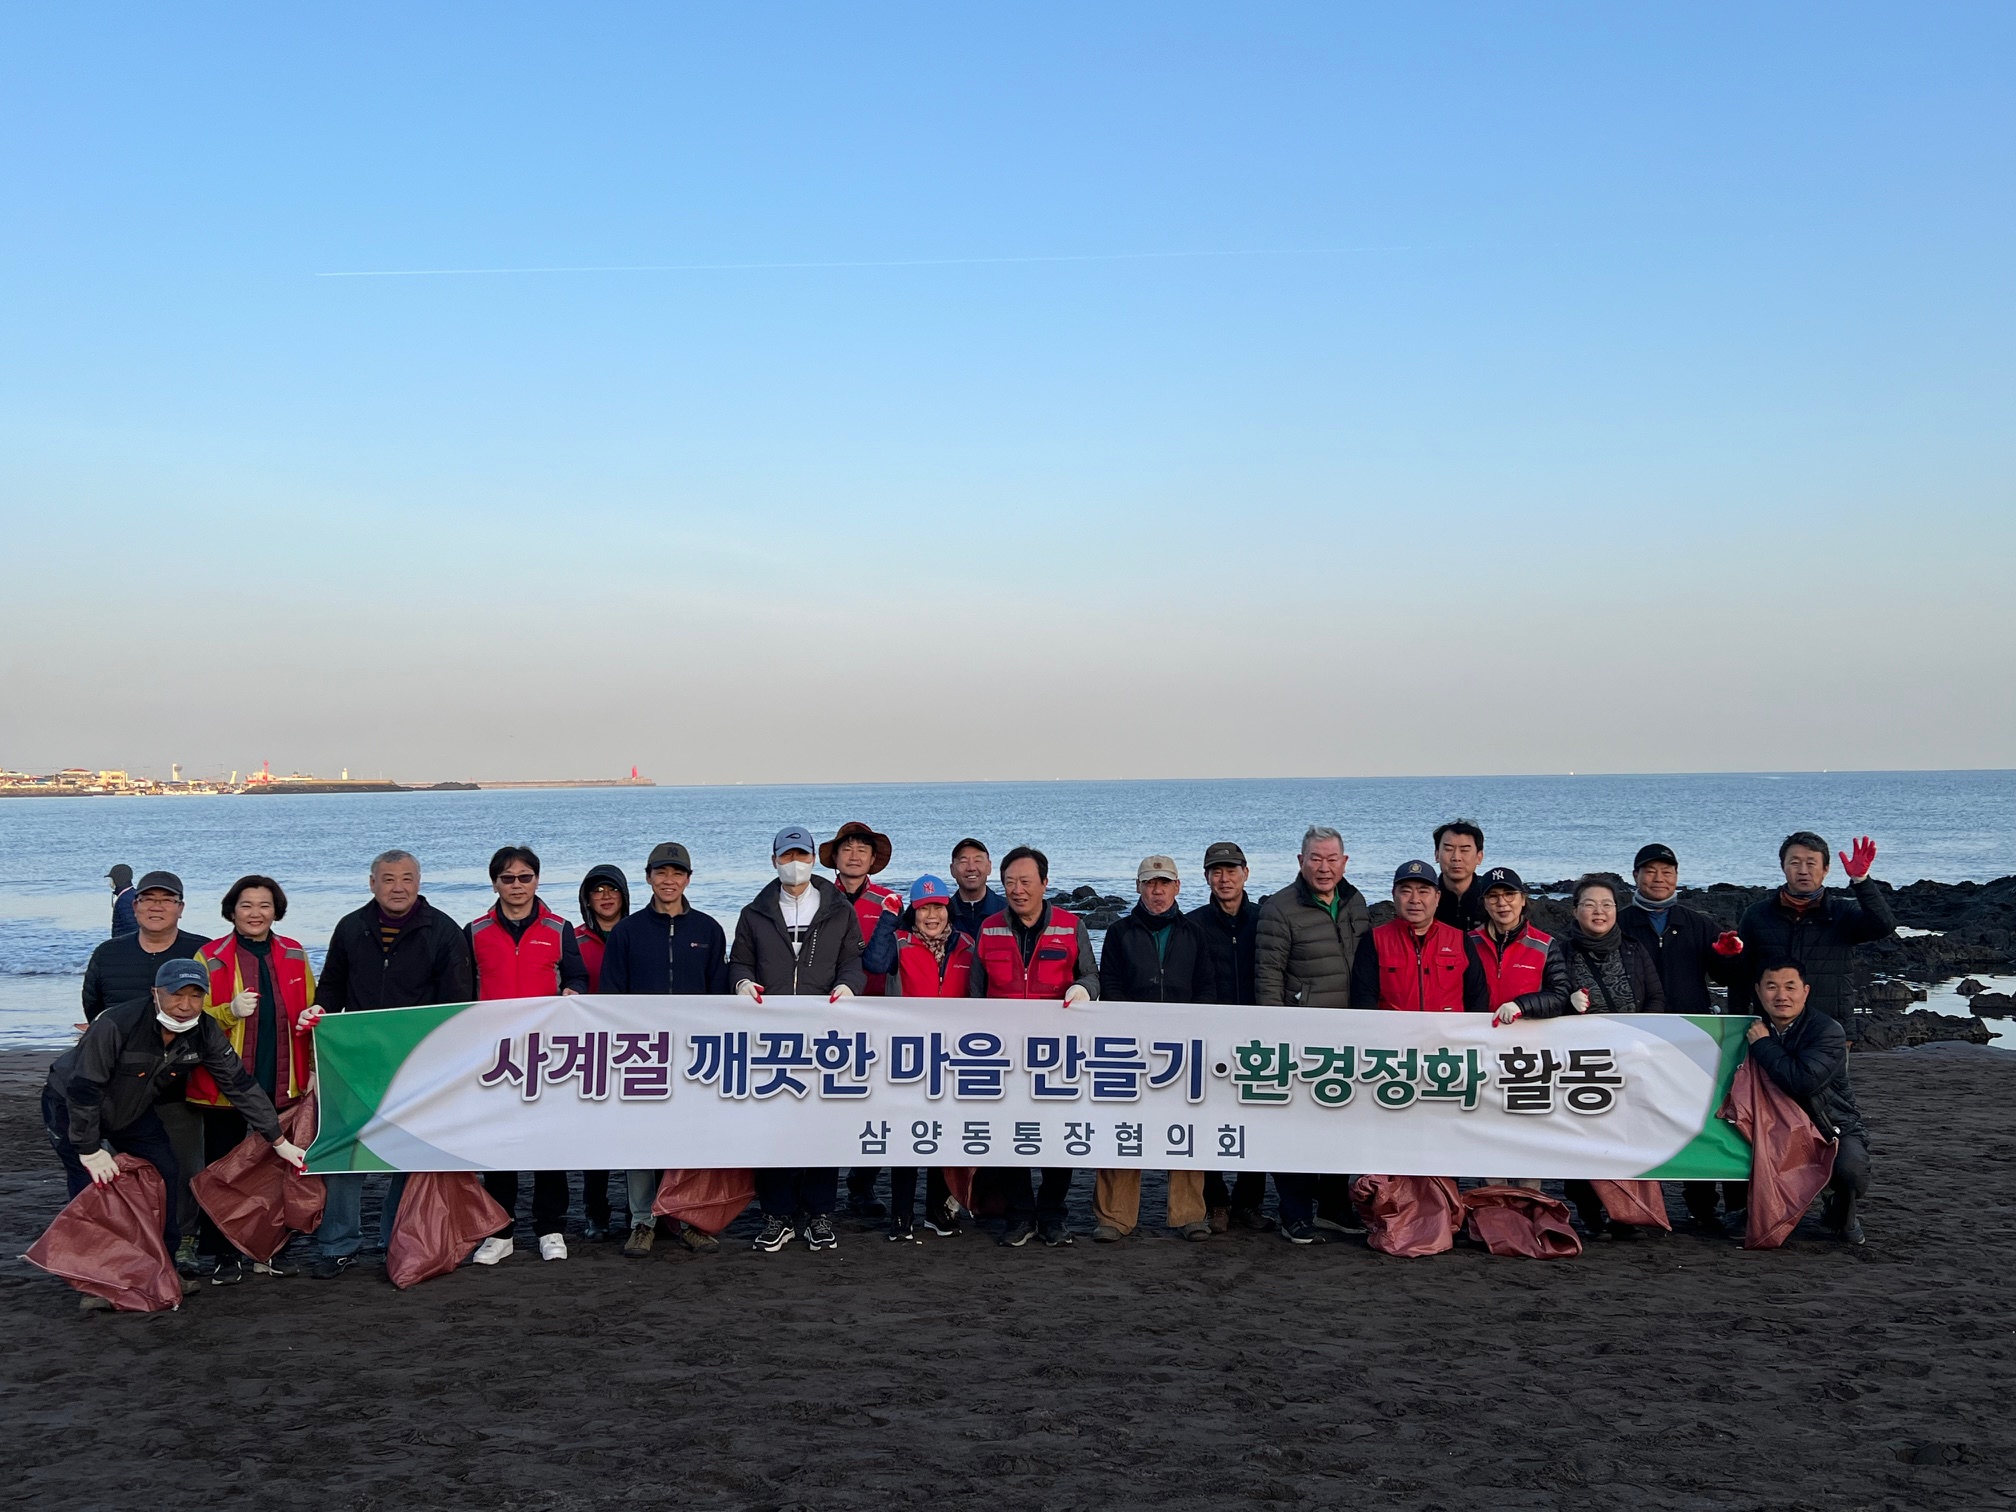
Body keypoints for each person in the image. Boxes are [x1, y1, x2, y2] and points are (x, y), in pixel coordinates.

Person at [43, 958, 306, 1310]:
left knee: (166, 1172)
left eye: (196, 996)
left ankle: (163, 1267)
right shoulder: (116, 1024)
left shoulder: (205, 1030)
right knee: (92, 1186)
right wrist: (90, 1149)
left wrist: (278, 1140)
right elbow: (85, 1088)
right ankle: (98, 1283)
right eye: (176, 995)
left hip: (132, 1111)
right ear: (156, 993)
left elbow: (239, 1084)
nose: (185, 1006)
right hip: (72, 1105)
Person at [311, 849, 474, 1279]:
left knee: (408, 1154)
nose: (397, 887)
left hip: (416, 1064)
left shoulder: (443, 931)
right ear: (372, 883)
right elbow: (331, 986)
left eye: (406, 878)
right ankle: (338, 1244)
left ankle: (396, 1238)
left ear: (419, 883)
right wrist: (319, 1012)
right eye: (387, 879)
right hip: (356, 1062)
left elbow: (456, 1005)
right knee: (346, 1152)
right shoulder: (351, 927)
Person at [730, 825, 867, 1253]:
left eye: (802, 856)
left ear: (813, 859)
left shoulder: (838, 909)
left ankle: (819, 1214)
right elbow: (739, 962)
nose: (795, 864)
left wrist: (848, 987)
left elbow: (852, 962)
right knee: (774, 1126)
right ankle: (777, 1215)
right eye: (787, 856)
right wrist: (742, 984)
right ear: (774, 860)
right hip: (770, 1038)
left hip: (825, 1037)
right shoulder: (755, 912)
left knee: (823, 1125)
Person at [598, 842, 731, 1257]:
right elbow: (611, 997)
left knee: (690, 1139)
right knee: (642, 1140)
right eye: (661, 873)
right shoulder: (627, 931)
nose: (669, 880)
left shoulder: (708, 930)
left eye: (677, 873)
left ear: (688, 879)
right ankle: (642, 1222)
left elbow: (719, 995)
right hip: (642, 1055)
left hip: (694, 1054)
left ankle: (687, 1219)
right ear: (648, 877)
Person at [78, 870, 209, 1272]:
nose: (157, 906)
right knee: (118, 1170)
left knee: (184, 1168)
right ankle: (130, 1242)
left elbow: (211, 1014)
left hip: (179, 1085)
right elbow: (93, 1008)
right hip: (117, 1090)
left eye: (167, 900)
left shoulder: (201, 951)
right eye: (148, 899)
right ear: (133, 907)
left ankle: (184, 1241)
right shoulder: (108, 953)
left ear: (181, 909)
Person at [968, 845, 1099, 1248]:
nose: (1017, 890)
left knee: (1058, 1138)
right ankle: (1021, 1215)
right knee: (1012, 1136)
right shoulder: (988, 928)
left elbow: (1093, 977)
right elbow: (975, 994)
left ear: (1044, 883)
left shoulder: (1070, 925)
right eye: (1009, 882)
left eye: (1025, 882)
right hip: (1004, 1056)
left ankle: (1054, 1215)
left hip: (1058, 1056)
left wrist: (1081, 989)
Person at [190, 875, 318, 1284]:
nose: (256, 913)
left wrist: (314, 1064)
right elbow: (190, 1019)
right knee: (224, 1168)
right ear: (232, 910)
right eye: (247, 905)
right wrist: (228, 1010)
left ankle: (271, 1249)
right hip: (226, 1086)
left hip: (285, 1079)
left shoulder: (295, 953)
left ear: (275, 910)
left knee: (279, 1169)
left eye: (264, 905)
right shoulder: (208, 957)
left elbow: (315, 1011)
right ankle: (223, 1254)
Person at [468, 845, 590, 1266]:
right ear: (494, 882)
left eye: (524, 877)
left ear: (537, 880)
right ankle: (499, 1232)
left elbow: (576, 974)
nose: (516, 886)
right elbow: (463, 992)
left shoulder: (558, 928)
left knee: (547, 1143)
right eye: (508, 878)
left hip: (548, 1054)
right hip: (495, 1055)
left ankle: (550, 1228)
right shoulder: (475, 931)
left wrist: (574, 991)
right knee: (498, 1145)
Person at [1621, 842, 1749, 1234]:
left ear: (1677, 876)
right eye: (1650, 871)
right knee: (1639, 1120)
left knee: (1699, 1121)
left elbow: (1728, 977)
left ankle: (1703, 1206)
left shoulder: (1698, 923)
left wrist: (1729, 956)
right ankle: (1641, 1206)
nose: (1659, 879)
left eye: (1667, 871)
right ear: (1635, 876)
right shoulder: (1621, 921)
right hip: (1635, 1038)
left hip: (1693, 1041)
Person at [1256, 827, 1371, 1243]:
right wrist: (1278, 1035)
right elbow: (1267, 979)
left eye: (1331, 859)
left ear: (1345, 861)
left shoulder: (1356, 902)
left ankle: (1335, 1207)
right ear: (1300, 861)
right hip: (1299, 1038)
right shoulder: (1279, 909)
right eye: (1315, 859)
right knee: (1296, 1128)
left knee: (1341, 1124)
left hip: (1349, 1035)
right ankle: (1295, 1212)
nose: (1324, 867)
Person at [1094, 856, 1216, 1243]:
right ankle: (1114, 1217)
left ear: (1178, 887)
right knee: (1124, 1128)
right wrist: (1135, 1032)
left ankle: (1190, 1214)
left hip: (1183, 1049)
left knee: (1187, 1128)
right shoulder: (1118, 932)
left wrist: (1192, 1033)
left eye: (1164, 883)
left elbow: (1206, 989)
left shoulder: (1194, 932)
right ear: (1138, 886)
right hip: (1130, 1050)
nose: (1157, 891)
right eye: (1149, 883)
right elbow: (1110, 986)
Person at [1551, 873, 1667, 1239]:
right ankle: (1589, 1211)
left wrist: (1640, 1039)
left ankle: (1626, 1214)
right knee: (1582, 1138)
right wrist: (1569, 1007)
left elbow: (1656, 997)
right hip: (1581, 1063)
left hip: (1630, 1060)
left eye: (1606, 904)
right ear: (1575, 910)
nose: (1598, 911)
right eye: (1589, 904)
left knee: (1628, 1138)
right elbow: (1552, 997)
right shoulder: (1560, 950)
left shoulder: (1633, 948)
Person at [862, 874, 976, 1241]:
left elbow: (981, 997)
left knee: (941, 1137)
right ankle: (901, 1216)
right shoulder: (899, 943)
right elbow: (874, 965)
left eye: (938, 908)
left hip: (953, 1057)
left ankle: (936, 1212)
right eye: (924, 907)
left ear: (948, 910)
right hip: (907, 1058)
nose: (932, 915)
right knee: (906, 1139)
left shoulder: (967, 947)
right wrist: (886, 918)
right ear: (913, 911)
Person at [1746, 958, 1871, 1245]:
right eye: (1772, 987)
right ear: (1758, 990)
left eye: (1790, 987)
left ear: (1806, 991)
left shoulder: (1828, 1031)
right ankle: (1743, 1211)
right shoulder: (1749, 1027)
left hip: (1829, 1123)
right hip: (1770, 1124)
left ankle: (1841, 1213)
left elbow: (1802, 1081)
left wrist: (1763, 1045)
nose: (1781, 996)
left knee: (1851, 1170)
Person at [1735, 832, 1896, 1035]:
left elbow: (1883, 926)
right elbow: (1741, 974)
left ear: (1825, 869)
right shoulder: (1757, 914)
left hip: (1830, 1029)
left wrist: (1861, 881)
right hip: (1771, 1028)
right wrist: (1738, 1022)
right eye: (1795, 863)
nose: (1803, 871)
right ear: (1783, 866)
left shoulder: (1842, 913)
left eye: (1811, 863)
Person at [822, 821, 903, 1218]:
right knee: (823, 1103)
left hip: (876, 1017)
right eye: (847, 849)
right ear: (834, 857)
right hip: (822, 1017)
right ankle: (818, 1186)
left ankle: (862, 1184)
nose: (854, 855)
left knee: (875, 1103)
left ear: (874, 860)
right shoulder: (815, 898)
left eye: (862, 850)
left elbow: (900, 959)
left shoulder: (891, 903)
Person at [1189, 841, 1269, 1231]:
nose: (1225, 878)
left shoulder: (1266, 919)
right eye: (1217, 871)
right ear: (1206, 877)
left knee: (1255, 1119)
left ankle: (1248, 1203)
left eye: (1232, 870)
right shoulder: (1193, 923)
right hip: (1209, 1037)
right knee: (1210, 1121)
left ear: (1246, 873)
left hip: (1258, 1036)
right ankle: (1216, 1202)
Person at [573, 862, 630, 1241]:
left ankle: (639, 1212)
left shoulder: (639, 932)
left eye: (612, 889)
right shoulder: (573, 939)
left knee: (634, 1134)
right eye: (597, 890)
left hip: (634, 1047)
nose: (605, 896)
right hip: (589, 1047)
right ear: (587, 899)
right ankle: (596, 1212)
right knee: (593, 1135)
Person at [1351, 860, 1488, 1013]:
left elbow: (1477, 997)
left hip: (1446, 1034)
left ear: (1437, 897)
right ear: (1393, 894)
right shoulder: (1375, 940)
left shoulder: (1460, 940)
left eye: (1423, 891)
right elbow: (1363, 998)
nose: (1415, 900)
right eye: (1406, 891)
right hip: (1393, 1033)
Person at [1464, 867, 1568, 1026]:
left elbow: (1560, 996)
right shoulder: (1468, 943)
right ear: (1484, 903)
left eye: (1509, 894)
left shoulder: (1545, 945)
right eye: (1493, 896)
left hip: (1527, 1041)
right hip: (1478, 1039)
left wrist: (1522, 1005)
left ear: (1523, 899)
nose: (1501, 903)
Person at [1433, 820, 1489, 931]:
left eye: (1465, 850)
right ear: (1437, 855)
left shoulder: (1489, 896)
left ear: (1479, 857)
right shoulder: (1426, 898)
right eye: (1448, 849)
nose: (1456, 857)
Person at [948, 838, 1007, 944]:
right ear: (952, 869)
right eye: (963, 861)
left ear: (989, 867)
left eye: (978, 861)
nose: (971, 868)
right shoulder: (944, 914)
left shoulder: (1007, 910)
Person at [107, 863, 137, 937]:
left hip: (124, 944)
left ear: (117, 879)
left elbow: (132, 926)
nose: (109, 883)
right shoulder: (134, 894)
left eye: (111, 879)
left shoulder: (123, 900)